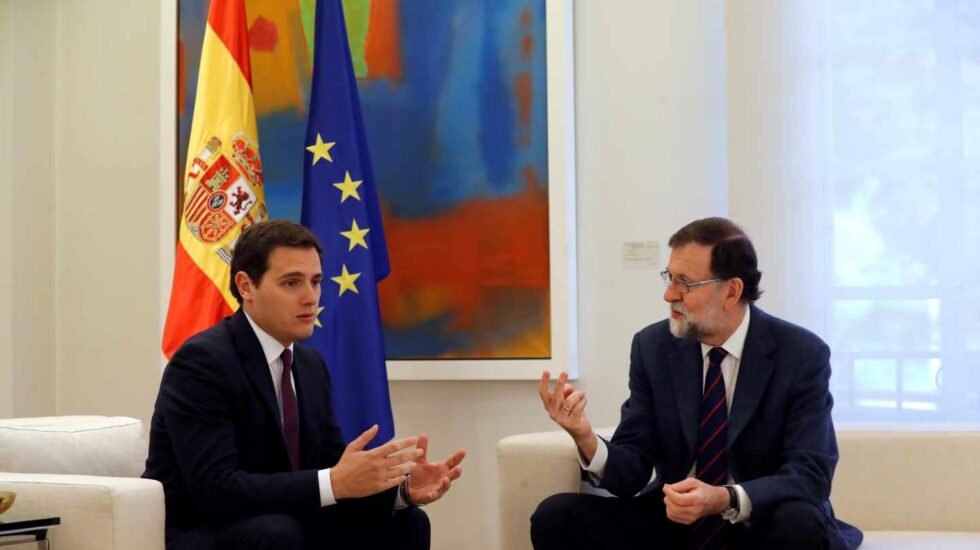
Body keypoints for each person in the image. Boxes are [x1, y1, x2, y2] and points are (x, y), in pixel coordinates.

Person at [532, 217, 862, 550]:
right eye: (669, 277)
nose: (668, 294)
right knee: (556, 516)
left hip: (758, 522)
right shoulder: (653, 347)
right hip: (675, 522)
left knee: (798, 523)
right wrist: (584, 436)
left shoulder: (801, 354)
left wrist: (724, 498)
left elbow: (811, 474)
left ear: (731, 291)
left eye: (684, 283)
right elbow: (632, 467)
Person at [144, 220, 465, 550]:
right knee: (278, 532)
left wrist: (400, 491)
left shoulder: (311, 365)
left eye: (316, 282)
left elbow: (332, 472)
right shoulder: (201, 363)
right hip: (201, 530)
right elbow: (216, 489)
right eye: (292, 283)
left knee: (407, 521)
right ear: (246, 286)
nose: (310, 298)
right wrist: (334, 481)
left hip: (282, 523)